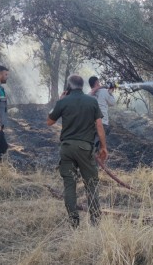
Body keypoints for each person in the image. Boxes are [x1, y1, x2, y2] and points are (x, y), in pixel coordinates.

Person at [48, 74, 108, 227]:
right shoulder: (92, 101)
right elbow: (99, 126)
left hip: (67, 149)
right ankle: (95, 222)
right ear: (82, 86)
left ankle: (74, 222)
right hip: (85, 148)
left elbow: (49, 121)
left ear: (69, 86)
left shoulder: (64, 102)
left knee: (69, 184)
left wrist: (59, 101)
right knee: (91, 184)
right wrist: (103, 147)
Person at [88, 76, 115, 146]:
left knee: (92, 143)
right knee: (99, 145)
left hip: (91, 124)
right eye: (98, 83)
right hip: (103, 122)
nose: (100, 84)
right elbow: (112, 103)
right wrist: (110, 92)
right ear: (96, 83)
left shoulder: (88, 95)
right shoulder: (104, 92)